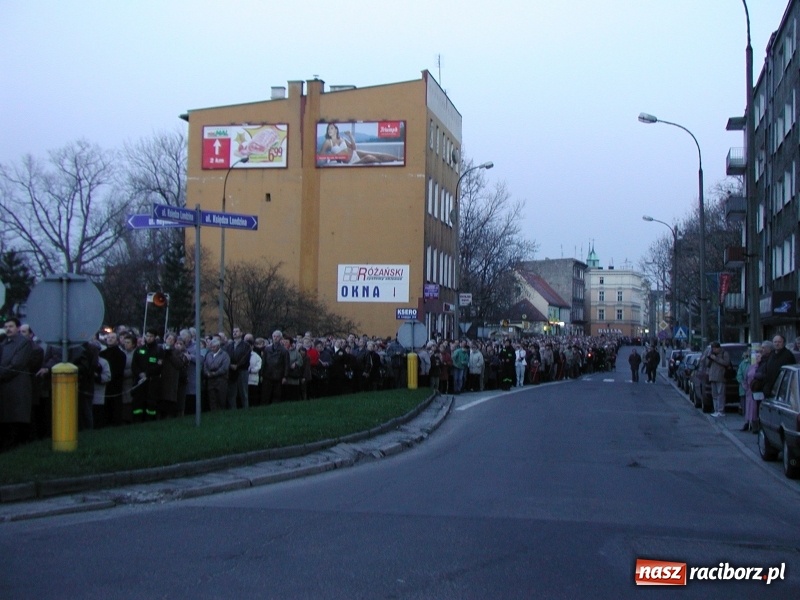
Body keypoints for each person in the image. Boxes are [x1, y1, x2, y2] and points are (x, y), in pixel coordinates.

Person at [0, 318, 33, 450]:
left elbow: (16, 364)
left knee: (16, 419)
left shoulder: (23, 342)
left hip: (17, 386)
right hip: (5, 387)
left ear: (17, 328)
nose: (8, 329)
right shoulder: (3, 343)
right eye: (6, 326)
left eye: (11, 326)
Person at [131, 328, 164, 422]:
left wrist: (147, 374)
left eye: (151, 336)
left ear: (155, 337)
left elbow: (159, 366)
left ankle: (150, 421)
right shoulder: (139, 349)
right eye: (147, 336)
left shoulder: (158, 350)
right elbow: (134, 365)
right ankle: (137, 421)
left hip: (152, 381)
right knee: (138, 402)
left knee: (151, 403)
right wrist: (140, 374)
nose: (149, 338)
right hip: (140, 381)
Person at [224, 326, 251, 409]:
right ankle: (233, 410)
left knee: (243, 392)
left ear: (241, 333)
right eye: (233, 331)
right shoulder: (229, 345)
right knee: (232, 392)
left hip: (242, 370)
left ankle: (245, 408)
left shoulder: (246, 345)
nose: (235, 333)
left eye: (237, 331)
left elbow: (245, 357)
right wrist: (230, 365)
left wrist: (237, 365)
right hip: (232, 371)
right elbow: (226, 356)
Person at [763, 334, 797, 398]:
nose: (777, 344)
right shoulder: (771, 354)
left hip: (781, 391)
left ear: (783, 343)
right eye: (775, 342)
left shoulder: (788, 355)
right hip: (768, 389)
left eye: (779, 342)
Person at [261, 330, 289, 404]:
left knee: (277, 394)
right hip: (267, 374)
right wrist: (261, 374)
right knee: (266, 394)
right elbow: (263, 362)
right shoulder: (267, 349)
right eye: (274, 336)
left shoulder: (284, 351)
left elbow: (286, 364)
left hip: (278, 375)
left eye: (277, 336)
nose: (275, 338)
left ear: (280, 338)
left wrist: (285, 376)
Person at [203, 338, 229, 411]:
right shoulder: (208, 355)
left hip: (221, 379)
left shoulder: (225, 355)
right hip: (210, 380)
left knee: (221, 398)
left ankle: (221, 412)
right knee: (212, 398)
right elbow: (205, 365)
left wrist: (215, 373)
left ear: (218, 346)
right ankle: (213, 413)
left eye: (214, 347)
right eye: (211, 347)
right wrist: (207, 373)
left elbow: (224, 368)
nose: (212, 348)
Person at [706, 341, 731, 417]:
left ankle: (721, 410)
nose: (713, 350)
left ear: (718, 348)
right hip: (713, 377)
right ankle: (716, 409)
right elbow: (707, 364)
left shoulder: (724, 354)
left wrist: (716, 358)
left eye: (714, 348)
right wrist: (710, 357)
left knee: (721, 394)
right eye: (712, 349)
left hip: (720, 377)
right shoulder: (712, 354)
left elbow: (726, 363)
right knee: (714, 394)